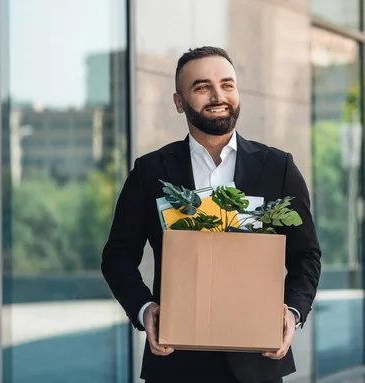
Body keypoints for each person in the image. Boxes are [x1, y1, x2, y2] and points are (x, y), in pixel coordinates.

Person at [101, 46, 321, 383]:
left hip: (258, 360)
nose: (218, 95)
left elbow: (306, 255)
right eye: (202, 87)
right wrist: (145, 310)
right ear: (179, 102)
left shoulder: (279, 168)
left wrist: (292, 312)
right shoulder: (150, 171)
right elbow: (117, 257)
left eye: (227, 84)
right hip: (176, 361)